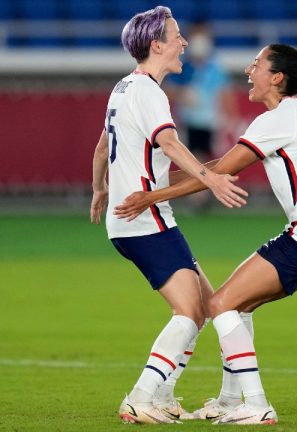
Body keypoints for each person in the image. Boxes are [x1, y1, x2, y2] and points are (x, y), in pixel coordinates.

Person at [115, 43, 297, 424]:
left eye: (257, 64)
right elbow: (212, 169)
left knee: (218, 305)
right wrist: (155, 181)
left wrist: (151, 195)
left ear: (276, 77)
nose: (249, 69)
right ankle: (230, 401)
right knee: (239, 304)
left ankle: (257, 404)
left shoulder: (276, 120)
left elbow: (217, 173)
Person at [88, 6, 247, 424]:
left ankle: (163, 395)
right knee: (190, 310)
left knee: (207, 304)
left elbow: (103, 147)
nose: (185, 42)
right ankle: (142, 397)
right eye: (177, 35)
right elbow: (172, 145)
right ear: (156, 44)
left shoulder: (122, 88)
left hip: (134, 219)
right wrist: (210, 179)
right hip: (146, 220)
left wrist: (99, 187)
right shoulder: (149, 92)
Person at [165, 20, 239, 211]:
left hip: (210, 122)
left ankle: (201, 196)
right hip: (187, 121)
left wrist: (231, 119)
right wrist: (183, 94)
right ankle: (198, 197)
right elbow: (167, 89)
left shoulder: (215, 68)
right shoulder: (182, 66)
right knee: (192, 159)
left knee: (205, 160)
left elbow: (226, 93)